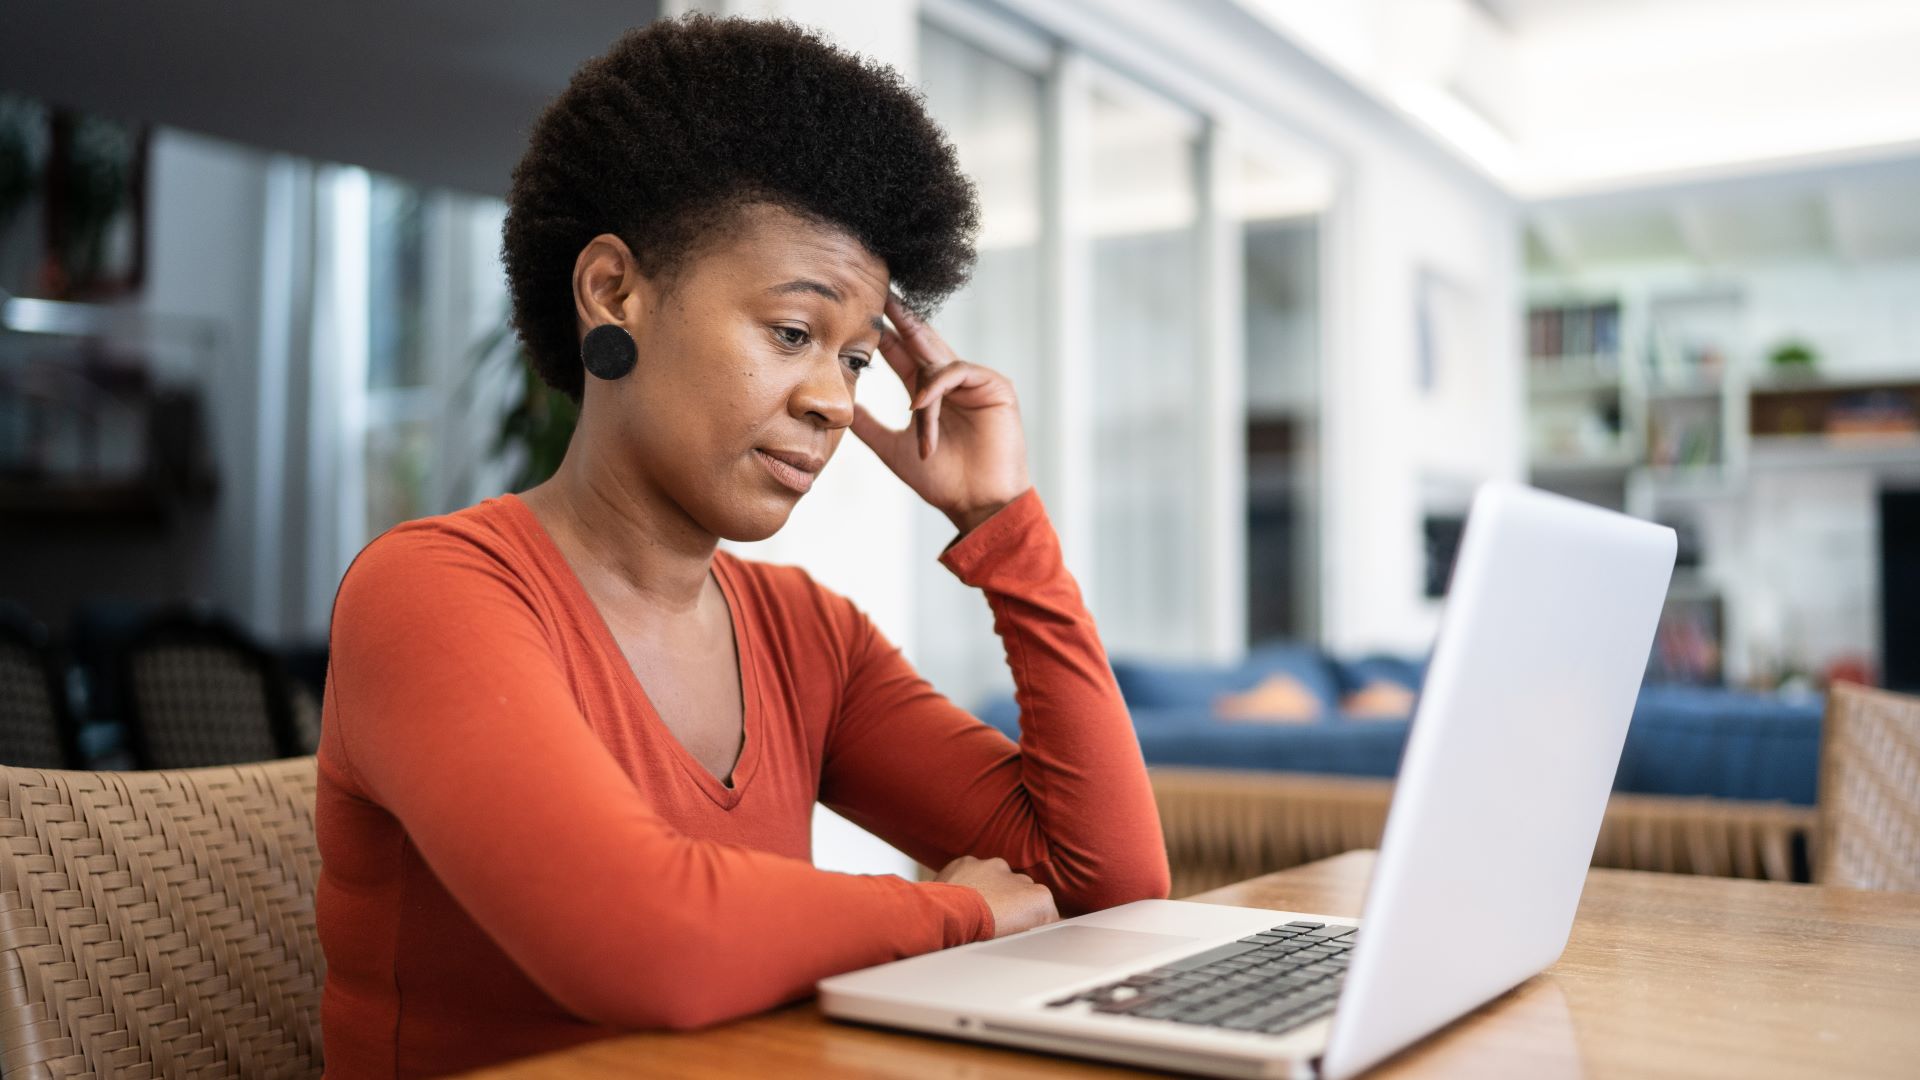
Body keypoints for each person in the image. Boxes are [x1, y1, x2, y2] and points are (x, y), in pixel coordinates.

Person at [316, 14, 1169, 1078]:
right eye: (792, 334)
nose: (830, 403)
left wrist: (1001, 525)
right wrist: (949, 912)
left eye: (857, 361)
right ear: (613, 292)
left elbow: (1111, 887)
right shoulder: (433, 592)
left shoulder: (809, 636)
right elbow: (642, 941)